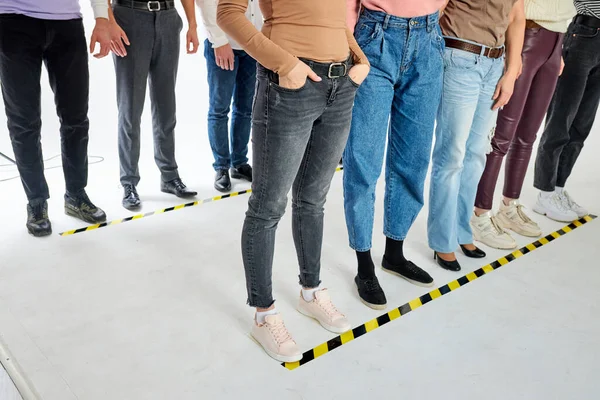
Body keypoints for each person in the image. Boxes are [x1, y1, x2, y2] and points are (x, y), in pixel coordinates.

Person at [217, 0, 370, 362]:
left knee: (313, 198)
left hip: (342, 84)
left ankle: (311, 291)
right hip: (289, 87)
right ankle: (264, 314)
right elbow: (228, 14)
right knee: (268, 207)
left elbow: (334, 21)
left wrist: (359, 59)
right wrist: (286, 64)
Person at [343, 0, 446, 309]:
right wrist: (348, 47)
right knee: (363, 160)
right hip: (375, 36)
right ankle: (364, 265)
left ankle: (394, 253)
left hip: (428, 37)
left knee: (413, 158)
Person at [428, 0, 526, 272]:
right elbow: (435, 8)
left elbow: (517, 16)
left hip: (495, 64)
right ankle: (442, 241)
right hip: (459, 57)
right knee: (452, 155)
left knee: (475, 154)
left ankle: (462, 231)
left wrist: (512, 69)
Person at [0, 0, 112, 237]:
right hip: (13, 21)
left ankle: (76, 195)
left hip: (67, 23)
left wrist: (102, 18)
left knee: (76, 118)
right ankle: (36, 202)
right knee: (23, 122)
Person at [473, 0, 576, 249]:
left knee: (528, 134)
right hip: (528, 33)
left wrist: (557, 49)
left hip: (557, 37)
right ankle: (480, 213)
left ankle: (509, 205)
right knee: (502, 135)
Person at [109, 0, 199, 210]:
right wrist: (110, 22)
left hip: (168, 18)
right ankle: (129, 181)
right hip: (129, 17)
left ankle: (169, 176)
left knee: (166, 105)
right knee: (130, 107)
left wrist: (192, 24)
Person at [532, 0, 600, 222]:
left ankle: (559, 189)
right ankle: (545, 193)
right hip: (583, 35)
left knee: (581, 125)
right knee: (561, 119)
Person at [196, 0, 262, 192]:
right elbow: (206, 3)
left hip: (252, 43)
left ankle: (239, 163)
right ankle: (222, 167)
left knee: (245, 109)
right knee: (219, 108)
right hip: (224, 43)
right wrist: (219, 41)